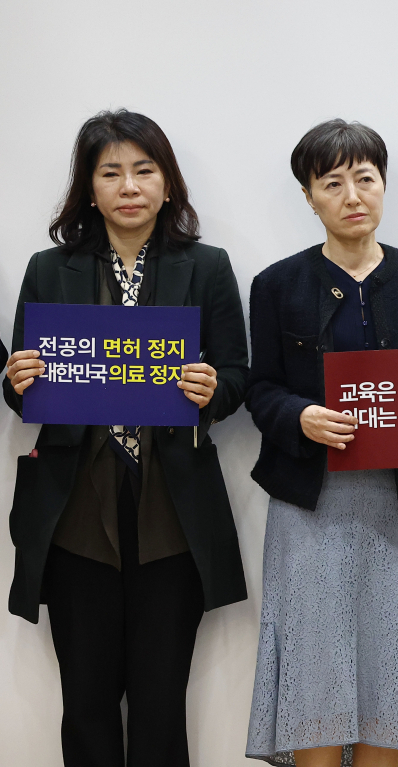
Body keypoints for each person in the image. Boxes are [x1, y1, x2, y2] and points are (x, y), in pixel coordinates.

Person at [2, 109, 249, 766]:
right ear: (88, 188)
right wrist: (18, 377)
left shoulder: (206, 266)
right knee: (84, 702)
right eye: (111, 172)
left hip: (172, 504)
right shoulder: (50, 269)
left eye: (144, 170)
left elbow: (237, 375)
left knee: (161, 700)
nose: (129, 185)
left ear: (168, 183)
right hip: (76, 504)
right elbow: (24, 384)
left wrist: (211, 390)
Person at [244, 119, 398, 767]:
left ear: (383, 186)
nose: (353, 194)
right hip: (309, 504)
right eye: (333, 182)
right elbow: (259, 389)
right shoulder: (276, 284)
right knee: (315, 667)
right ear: (309, 196)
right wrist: (300, 417)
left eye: (366, 178)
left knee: (391, 664)